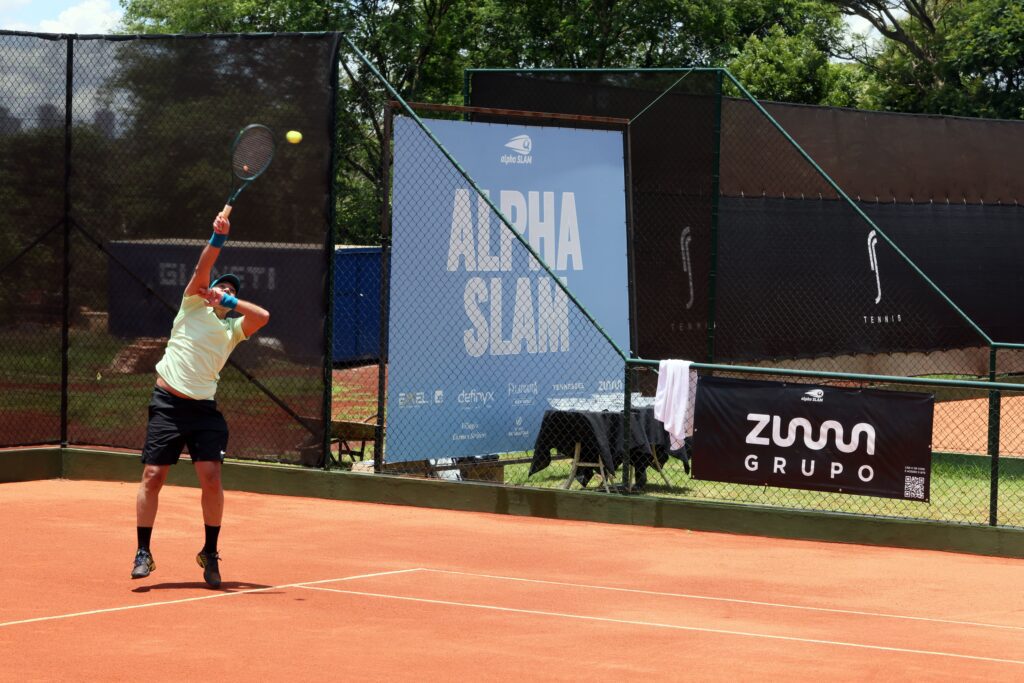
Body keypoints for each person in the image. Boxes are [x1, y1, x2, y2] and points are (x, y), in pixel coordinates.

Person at [131, 211, 270, 587]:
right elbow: (203, 265)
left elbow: (264, 315)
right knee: (153, 474)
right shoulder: (191, 305)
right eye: (219, 287)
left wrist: (230, 300)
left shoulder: (232, 331)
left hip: (203, 411)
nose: (223, 291)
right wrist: (218, 237)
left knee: (210, 477)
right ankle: (143, 551)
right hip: (168, 404)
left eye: (230, 291)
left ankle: (210, 551)